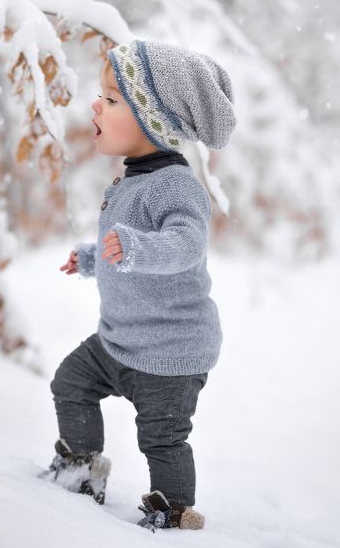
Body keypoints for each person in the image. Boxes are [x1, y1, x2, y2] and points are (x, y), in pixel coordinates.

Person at [41, 39, 237, 531]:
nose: (96, 106)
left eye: (111, 100)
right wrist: (94, 257)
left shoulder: (176, 185)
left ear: (155, 121)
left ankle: (173, 514)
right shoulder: (133, 180)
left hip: (170, 350)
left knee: (161, 437)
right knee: (71, 384)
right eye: (100, 96)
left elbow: (185, 244)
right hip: (120, 340)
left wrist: (135, 248)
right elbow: (125, 244)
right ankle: (81, 469)